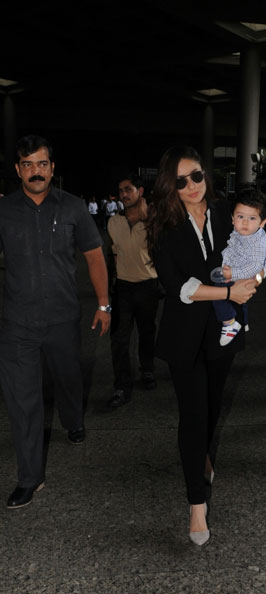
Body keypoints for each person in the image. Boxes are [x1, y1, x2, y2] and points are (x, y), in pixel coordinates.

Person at [146, 146, 257, 545]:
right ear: (169, 187)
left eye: (196, 176)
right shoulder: (161, 225)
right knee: (193, 414)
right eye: (180, 181)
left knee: (211, 406)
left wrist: (253, 280)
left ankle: (202, 455)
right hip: (183, 334)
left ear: (206, 176)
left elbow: (258, 247)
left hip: (222, 329)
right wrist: (228, 288)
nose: (191, 186)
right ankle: (196, 504)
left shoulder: (229, 213)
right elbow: (180, 287)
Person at [0, 134, 111, 509]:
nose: (36, 171)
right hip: (17, 323)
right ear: (18, 170)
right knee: (22, 401)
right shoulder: (4, 211)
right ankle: (30, 478)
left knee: (68, 377)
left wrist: (104, 304)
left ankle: (73, 419)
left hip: (63, 317)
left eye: (42, 164)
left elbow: (95, 257)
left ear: (52, 169)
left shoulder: (74, 208)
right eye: (28, 164)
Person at [106, 174, 161, 408]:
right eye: (121, 191)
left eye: (128, 189)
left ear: (140, 191)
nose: (124, 194)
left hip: (148, 286)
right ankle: (122, 387)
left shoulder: (153, 223)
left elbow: (164, 249)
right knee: (119, 339)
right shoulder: (113, 222)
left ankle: (147, 369)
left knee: (147, 331)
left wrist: (150, 219)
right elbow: (114, 253)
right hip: (124, 289)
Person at [210, 188, 266, 346]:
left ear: (262, 222)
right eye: (240, 216)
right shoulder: (243, 233)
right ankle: (243, 322)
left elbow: (255, 267)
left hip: (244, 273)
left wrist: (232, 274)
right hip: (238, 268)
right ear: (232, 218)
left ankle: (230, 323)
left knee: (218, 295)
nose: (245, 222)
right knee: (241, 301)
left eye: (252, 218)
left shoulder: (257, 243)